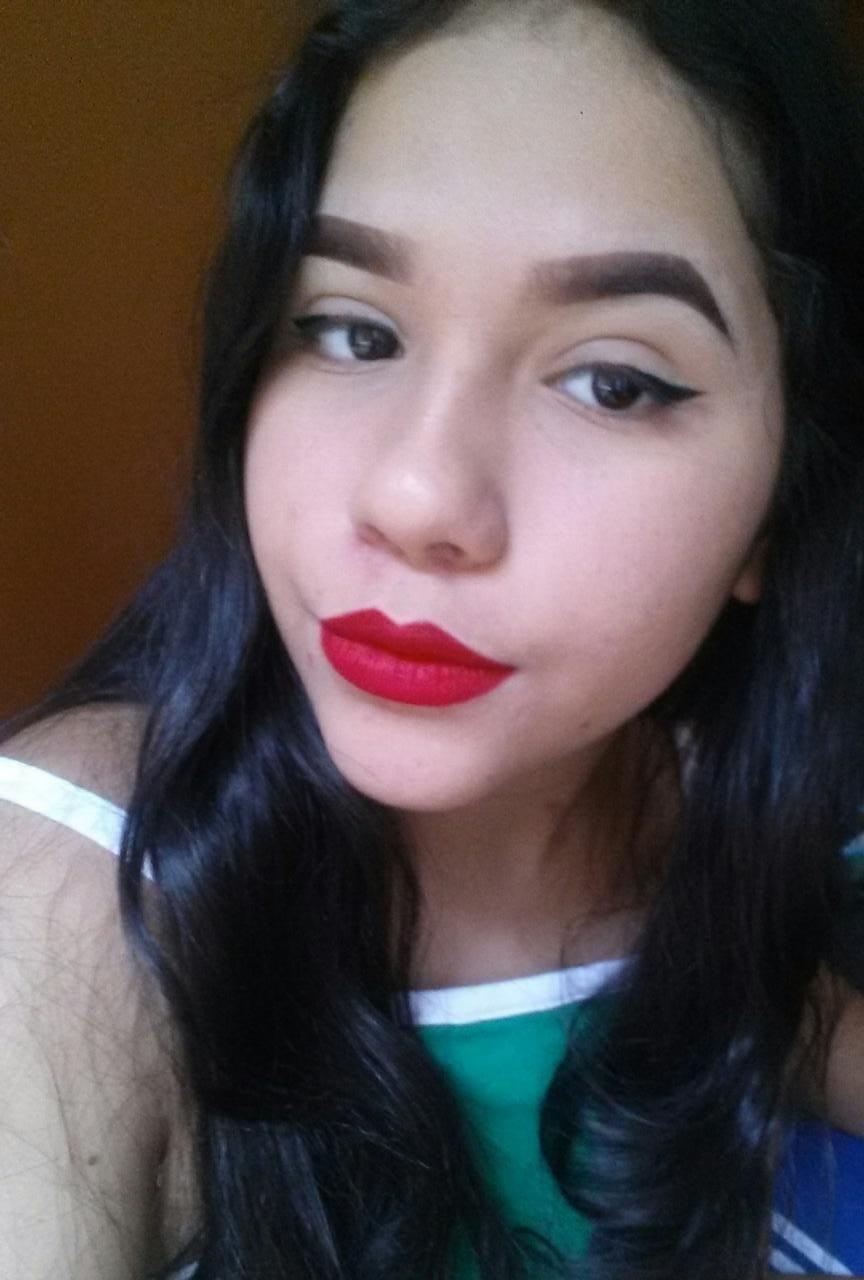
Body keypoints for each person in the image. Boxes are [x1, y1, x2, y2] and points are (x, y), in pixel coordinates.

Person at [1, 0, 863, 1276]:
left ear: (779, 507)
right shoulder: (71, 878)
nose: (415, 496)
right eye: (353, 331)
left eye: (614, 381)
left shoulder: (700, 798)